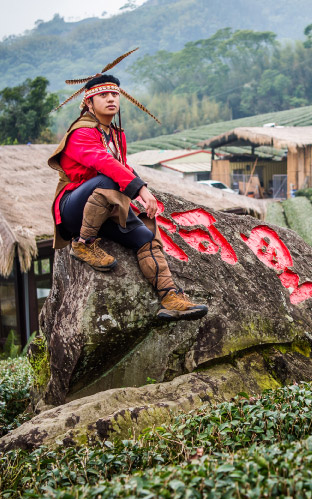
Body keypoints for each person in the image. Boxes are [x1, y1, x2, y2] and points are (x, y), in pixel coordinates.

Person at [47, 66, 207, 321]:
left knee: (146, 237)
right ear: (88, 103)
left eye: (115, 94)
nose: (111, 99)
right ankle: (84, 244)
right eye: (103, 95)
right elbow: (106, 165)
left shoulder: (114, 135)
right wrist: (141, 190)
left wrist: (141, 189)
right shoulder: (81, 132)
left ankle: (170, 297)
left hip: (105, 207)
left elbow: (123, 167)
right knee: (107, 176)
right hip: (73, 208)